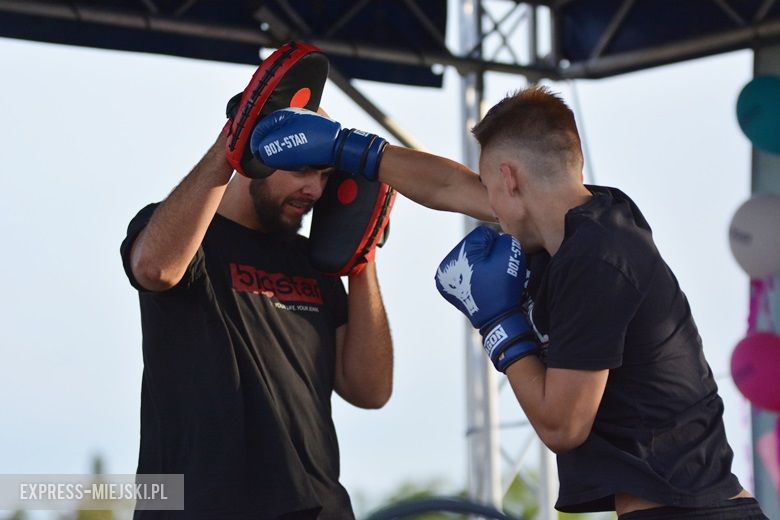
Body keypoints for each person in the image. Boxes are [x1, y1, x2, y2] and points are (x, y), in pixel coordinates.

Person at [250, 86, 767, 519]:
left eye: (490, 186)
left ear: (510, 179)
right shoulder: (579, 223)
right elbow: (450, 185)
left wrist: (499, 323)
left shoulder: (597, 261)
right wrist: (349, 149)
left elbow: (563, 426)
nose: (486, 205)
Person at [119, 115, 393, 517]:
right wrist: (230, 144)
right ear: (257, 156)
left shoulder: (314, 263)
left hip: (317, 507)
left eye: (325, 175)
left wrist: (361, 258)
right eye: (301, 168)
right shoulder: (185, 233)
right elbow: (155, 269)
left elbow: (371, 390)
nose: (314, 189)